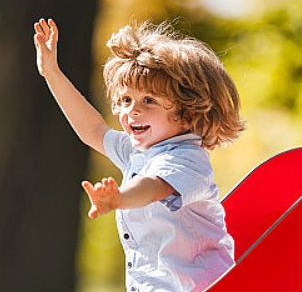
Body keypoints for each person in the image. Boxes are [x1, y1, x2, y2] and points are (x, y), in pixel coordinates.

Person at [33, 18, 245, 292]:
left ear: (187, 111)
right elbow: (92, 129)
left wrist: (121, 198)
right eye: (126, 100)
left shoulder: (188, 159)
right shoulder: (137, 152)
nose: (132, 110)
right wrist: (52, 72)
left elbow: (155, 186)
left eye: (149, 101)